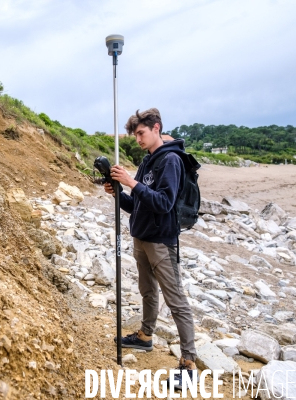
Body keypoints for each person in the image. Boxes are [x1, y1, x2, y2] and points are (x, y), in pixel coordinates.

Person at [104, 108, 197, 389]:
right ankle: (145, 336)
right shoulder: (148, 161)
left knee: (176, 300)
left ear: (156, 128)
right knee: (147, 290)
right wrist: (119, 193)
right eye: (135, 136)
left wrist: (131, 182)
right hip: (141, 237)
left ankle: (189, 364)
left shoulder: (170, 160)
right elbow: (138, 205)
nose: (138, 140)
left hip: (161, 241)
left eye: (141, 133)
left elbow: (164, 203)